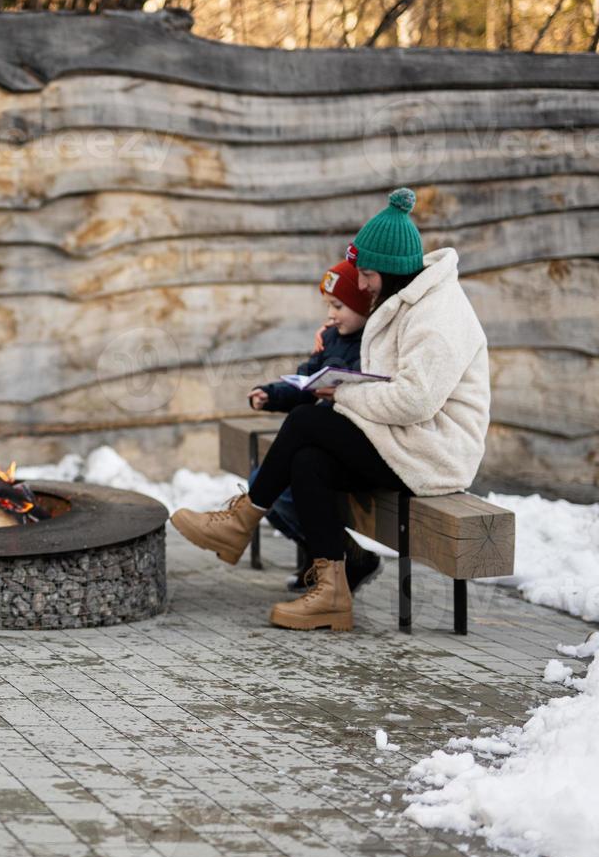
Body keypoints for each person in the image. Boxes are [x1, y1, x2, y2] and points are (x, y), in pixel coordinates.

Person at [172, 188, 490, 632]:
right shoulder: (403, 300)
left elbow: (414, 400)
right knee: (307, 461)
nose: (360, 285)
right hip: (402, 441)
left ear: (392, 272)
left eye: (367, 275)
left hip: (432, 455)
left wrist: (339, 394)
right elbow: (381, 375)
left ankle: (242, 520)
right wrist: (334, 348)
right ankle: (332, 593)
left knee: (307, 420)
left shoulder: (438, 318)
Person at [246, 259, 380, 593]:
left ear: (364, 305)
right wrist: (272, 394)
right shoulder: (332, 338)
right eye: (329, 307)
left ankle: (346, 558)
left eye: (339, 306)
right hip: (322, 441)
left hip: (351, 448)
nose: (331, 315)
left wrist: (341, 391)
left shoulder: (373, 345)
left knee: (280, 485)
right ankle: (326, 557)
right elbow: (305, 381)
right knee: (262, 484)